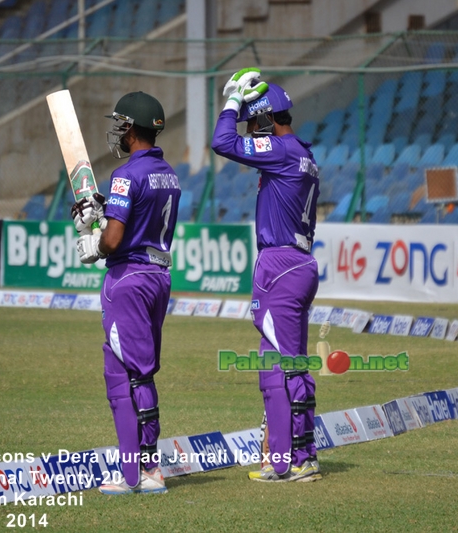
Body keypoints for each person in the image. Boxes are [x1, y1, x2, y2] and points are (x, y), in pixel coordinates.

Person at [212, 68, 321, 482]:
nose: (251, 131)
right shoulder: (304, 154)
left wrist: (231, 103)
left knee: (278, 368)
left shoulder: (281, 150)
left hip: (279, 265)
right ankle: (302, 455)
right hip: (300, 263)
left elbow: (222, 142)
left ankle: (287, 461)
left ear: (264, 119)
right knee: (289, 365)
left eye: (252, 122)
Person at [73, 91, 181, 495]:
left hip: (128, 279)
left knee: (122, 374)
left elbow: (115, 239)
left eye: (122, 125)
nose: (118, 132)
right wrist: (102, 214)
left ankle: (133, 474)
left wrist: (92, 243)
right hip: (158, 277)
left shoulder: (126, 175)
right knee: (143, 371)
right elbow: (139, 218)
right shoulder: (168, 172)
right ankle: (150, 467)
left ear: (133, 128)